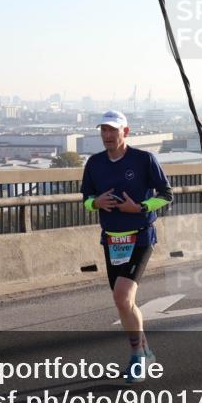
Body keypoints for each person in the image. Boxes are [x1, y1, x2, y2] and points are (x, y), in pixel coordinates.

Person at [80, 110, 173, 383]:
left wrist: (141, 207)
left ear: (126, 132)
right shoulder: (95, 163)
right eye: (103, 131)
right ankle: (145, 351)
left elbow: (166, 195)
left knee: (122, 297)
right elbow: (86, 197)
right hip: (112, 239)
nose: (107, 135)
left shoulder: (144, 160)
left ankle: (137, 358)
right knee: (125, 303)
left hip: (140, 237)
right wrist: (95, 204)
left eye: (113, 130)